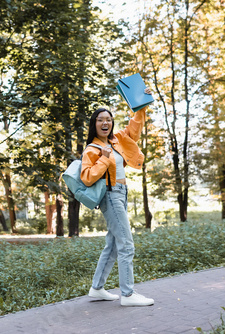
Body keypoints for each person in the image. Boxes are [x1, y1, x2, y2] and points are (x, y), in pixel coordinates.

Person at [80, 88, 154, 307]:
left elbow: (135, 128)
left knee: (112, 245)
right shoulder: (92, 149)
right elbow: (87, 177)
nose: (106, 123)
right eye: (101, 120)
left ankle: (96, 288)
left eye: (109, 120)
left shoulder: (117, 140)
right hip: (110, 196)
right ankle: (128, 295)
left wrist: (141, 103)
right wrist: (103, 159)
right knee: (126, 244)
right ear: (94, 124)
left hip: (121, 193)